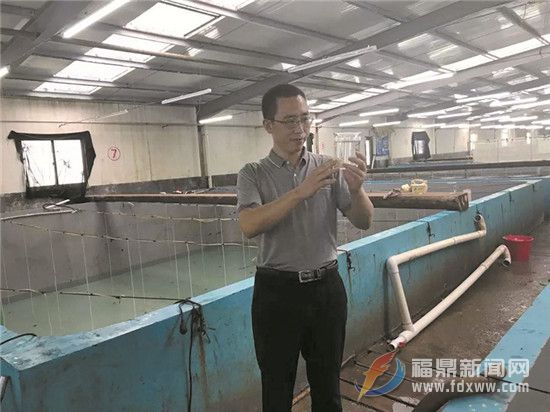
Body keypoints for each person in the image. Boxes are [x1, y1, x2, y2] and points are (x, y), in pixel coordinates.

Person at [237, 84, 374, 412]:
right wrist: (302, 191)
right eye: (289, 121)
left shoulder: (328, 167)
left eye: (304, 119)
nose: (299, 129)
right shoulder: (253, 174)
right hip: (277, 293)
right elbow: (249, 224)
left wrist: (357, 191)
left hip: (326, 289)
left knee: (328, 387)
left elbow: (364, 221)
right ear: (268, 125)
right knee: (276, 388)